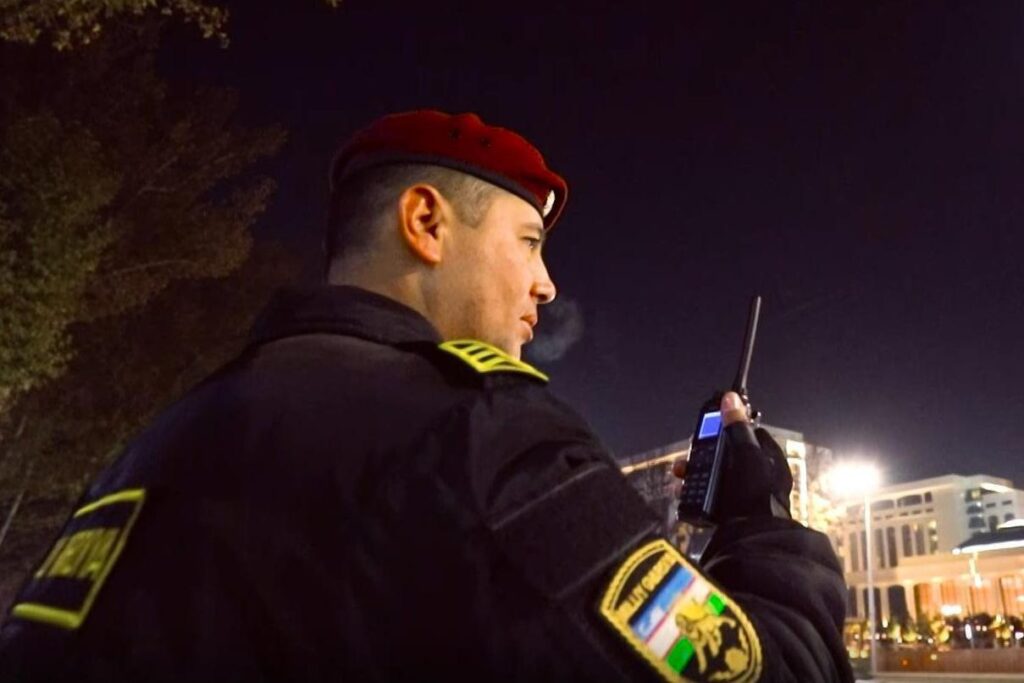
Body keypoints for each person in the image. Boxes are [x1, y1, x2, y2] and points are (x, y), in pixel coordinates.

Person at [0, 110, 853, 682]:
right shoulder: (482, 435)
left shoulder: (161, 440)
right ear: (426, 222)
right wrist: (759, 519)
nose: (547, 284)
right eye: (528, 241)